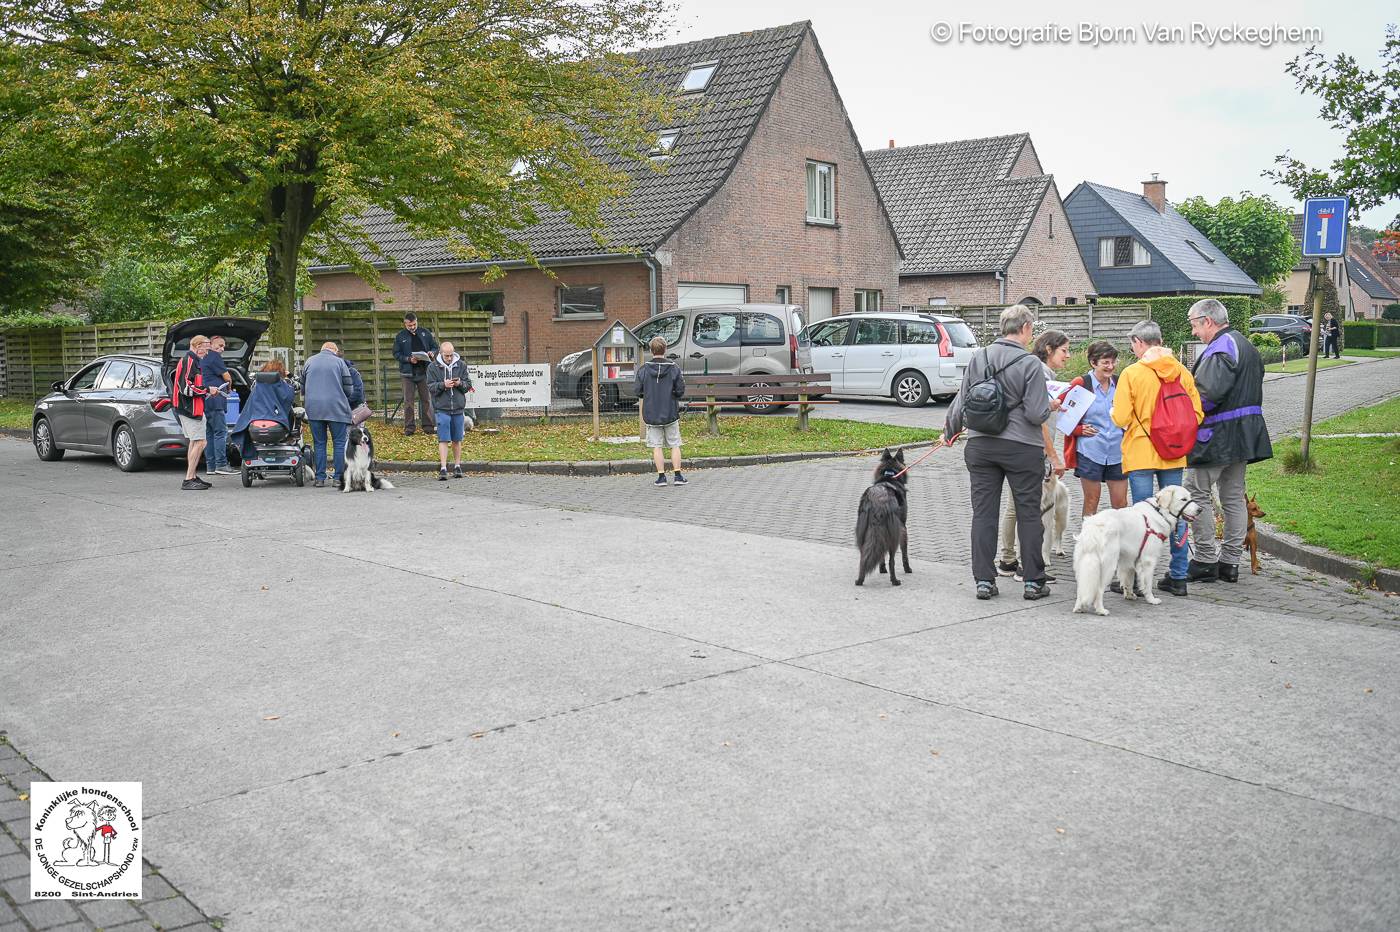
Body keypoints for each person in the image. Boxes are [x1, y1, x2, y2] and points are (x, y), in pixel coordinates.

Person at [945, 305, 1054, 601]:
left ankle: (984, 581)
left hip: (981, 445)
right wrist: (1050, 407)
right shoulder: (1030, 364)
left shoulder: (979, 357)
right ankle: (1033, 582)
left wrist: (950, 431)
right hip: (1022, 448)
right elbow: (1034, 414)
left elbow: (962, 398)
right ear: (1026, 328)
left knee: (983, 514)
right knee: (1028, 514)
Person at [1110, 320, 1204, 597]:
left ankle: (1137, 580)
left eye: (1132, 344)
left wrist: (1117, 414)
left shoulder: (1132, 373)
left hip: (1141, 450)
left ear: (1139, 342)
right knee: (1178, 513)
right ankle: (1178, 576)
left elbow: (1122, 417)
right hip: (1174, 453)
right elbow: (1197, 414)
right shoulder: (1182, 372)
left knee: (1142, 518)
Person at [1183, 298, 1273, 583]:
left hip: (1216, 436)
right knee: (1233, 497)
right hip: (1244, 436)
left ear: (1208, 321)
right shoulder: (1245, 345)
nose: (1194, 332)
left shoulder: (1220, 349)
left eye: (1195, 325)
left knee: (1197, 493)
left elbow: (1206, 396)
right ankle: (1230, 563)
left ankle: (1205, 560)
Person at [997, 329, 1069, 581]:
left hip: (1022, 445)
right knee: (1027, 508)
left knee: (1014, 506)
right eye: (1064, 350)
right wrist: (1051, 454)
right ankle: (1024, 564)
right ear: (1048, 349)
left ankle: (1008, 560)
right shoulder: (1039, 372)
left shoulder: (1043, 372)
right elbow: (1037, 416)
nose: (1068, 356)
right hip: (1032, 447)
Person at [1060, 341, 1128, 519]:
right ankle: (1087, 543)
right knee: (1091, 501)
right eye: (1106, 362)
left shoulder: (1120, 382)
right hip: (1090, 451)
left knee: (1121, 504)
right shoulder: (1082, 383)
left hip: (1117, 451)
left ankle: (1121, 543)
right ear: (1093, 362)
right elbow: (1061, 415)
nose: (1111, 366)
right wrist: (1079, 430)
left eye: (1113, 362)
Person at [301, 341, 355, 488]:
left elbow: (302, 387)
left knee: (319, 444)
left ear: (322, 349)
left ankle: (319, 478)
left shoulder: (309, 361)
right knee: (338, 443)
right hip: (336, 408)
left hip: (314, 409)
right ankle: (337, 478)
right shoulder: (340, 363)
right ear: (334, 350)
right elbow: (349, 388)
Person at [635, 335, 688, 487]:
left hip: (651, 413)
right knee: (674, 443)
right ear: (665, 349)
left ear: (651, 350)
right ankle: (678, 476)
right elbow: (680, 390)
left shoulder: (644, 369)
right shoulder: (674, 368)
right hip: (670, 411)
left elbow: (638, 391)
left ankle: (661, 477)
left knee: (657, 446)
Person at [171, 334, 216, 490]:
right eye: (206, 348)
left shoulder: (193, 361)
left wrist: (206, 392)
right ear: (197, 345)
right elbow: (185, 387)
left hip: (191, 407)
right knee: (201, 442)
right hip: (190, 408)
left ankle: (192, 476)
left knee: (195, 441)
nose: (207, 352)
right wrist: (207, 390)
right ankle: (189, 479)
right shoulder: (188, 361)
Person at [230, 360, 297, 462]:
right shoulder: (285, 385)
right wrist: (290, 375)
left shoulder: (256, 385)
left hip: (256, 422)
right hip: (278, 423)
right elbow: (294, 391)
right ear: (281, 372)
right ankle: (290, 437)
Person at [427, 341, 472, 480]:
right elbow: (431, 387)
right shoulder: (432, 367)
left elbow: (468, 385)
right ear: (440, 354)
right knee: (443, 439)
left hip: (458, 408)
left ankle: (457, 466)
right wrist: (443, 385)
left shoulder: (461, 365)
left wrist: (459, 384)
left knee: (457, 439)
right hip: (442, 409)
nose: (449, 358)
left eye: (451, 355)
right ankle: (443, 468)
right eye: (446, 355)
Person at [393, 313, 439, 436]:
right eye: (410, 325)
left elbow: (435, 347)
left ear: (417, 322)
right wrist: (408, 359)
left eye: (414, 324)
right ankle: (409, 428)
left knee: (427, 400)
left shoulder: (425, 333)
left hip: (424, 372)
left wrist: (431, 353)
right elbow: (396, 354)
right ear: (405, 324)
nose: (412, 327)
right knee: (408, 401)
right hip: (407, 373)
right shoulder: (400, 336)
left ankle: (428, 426)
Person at [201, 334, 235, 476]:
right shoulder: (214, 356)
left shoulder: (202, 358)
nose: (222, 348)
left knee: (209, 434)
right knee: (220, 432)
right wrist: (229, 386)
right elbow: (227, 376)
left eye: (223, 346)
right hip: (216, 401)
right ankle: (221, 464)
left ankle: (211, 466)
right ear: (211, 344)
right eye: (219, 345)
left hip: (205, 400)